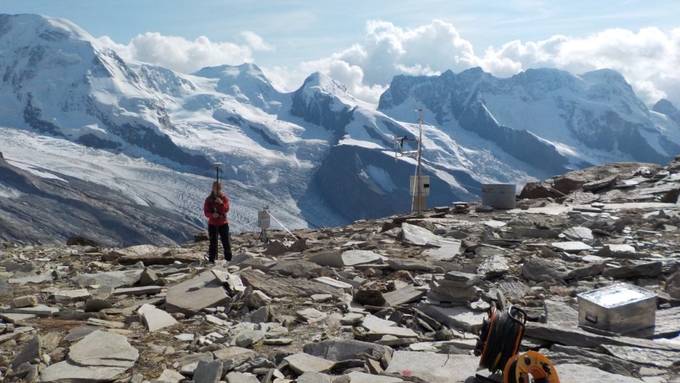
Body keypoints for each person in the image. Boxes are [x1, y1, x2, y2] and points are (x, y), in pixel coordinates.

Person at [203, 181, 232, 263]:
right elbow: (206, 212)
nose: (217, 189)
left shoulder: (224, 198)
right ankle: (212, 259)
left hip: (223, 223)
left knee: (226, 241)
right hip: (213, 224)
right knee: (213, 242)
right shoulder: (208, 199)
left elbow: (226, 209)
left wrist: (221, 203)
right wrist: (212, 215)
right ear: (213, 188)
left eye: (219, 187)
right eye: (216, 187)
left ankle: (228, 259)